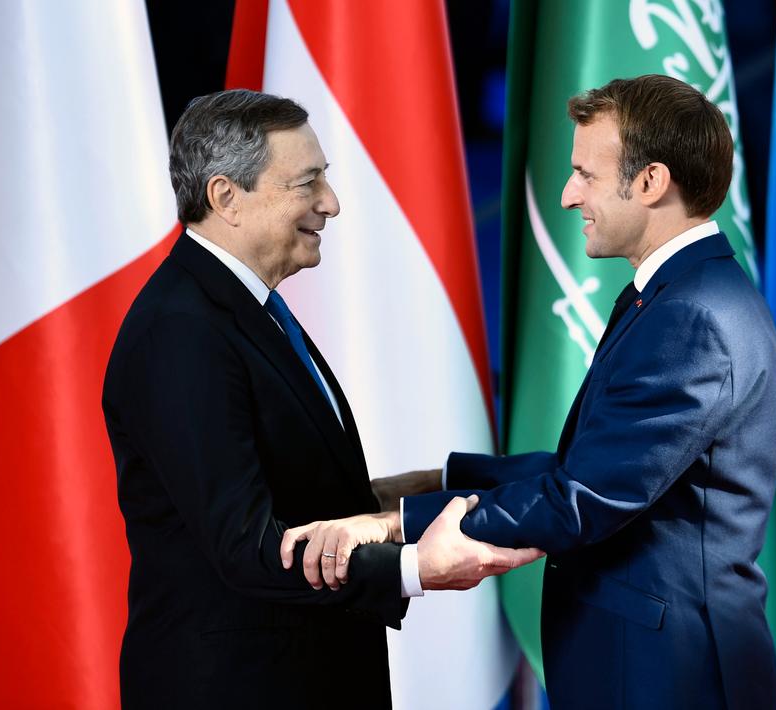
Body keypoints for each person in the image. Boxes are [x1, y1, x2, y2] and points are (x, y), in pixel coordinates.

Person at [286, 75, 776, 710]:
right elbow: (598, 470)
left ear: (651, 182)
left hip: (667, 676)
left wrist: (396, 525)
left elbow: (585, 499)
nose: (569, 195)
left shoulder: (691, 315)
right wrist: (437, 481)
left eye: (586, 175)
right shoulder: (683, 296)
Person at [102, 89, 540, 709]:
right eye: (307, 182)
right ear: (225, 197)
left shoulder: (245, 309)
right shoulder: (181, 331)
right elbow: (247, 547)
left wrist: (392, 498)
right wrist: (414, 566)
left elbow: (286, 495)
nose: (331, 203)